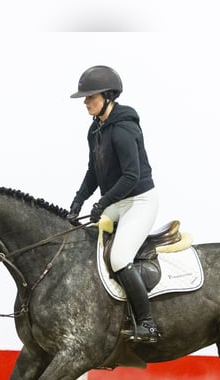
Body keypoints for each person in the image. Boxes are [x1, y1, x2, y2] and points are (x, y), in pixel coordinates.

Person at [67, 65, 160, 344]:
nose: (85, 102)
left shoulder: (123, 129)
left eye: (90, 97)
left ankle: (147, 323)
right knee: (85, 248)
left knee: (119, 258)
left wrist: (102, 203)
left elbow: (131, 176)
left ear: (107, 96)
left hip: (139, 201)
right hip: (117, 202)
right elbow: (93, 172)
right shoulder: (95, 130)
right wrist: (78, 200)